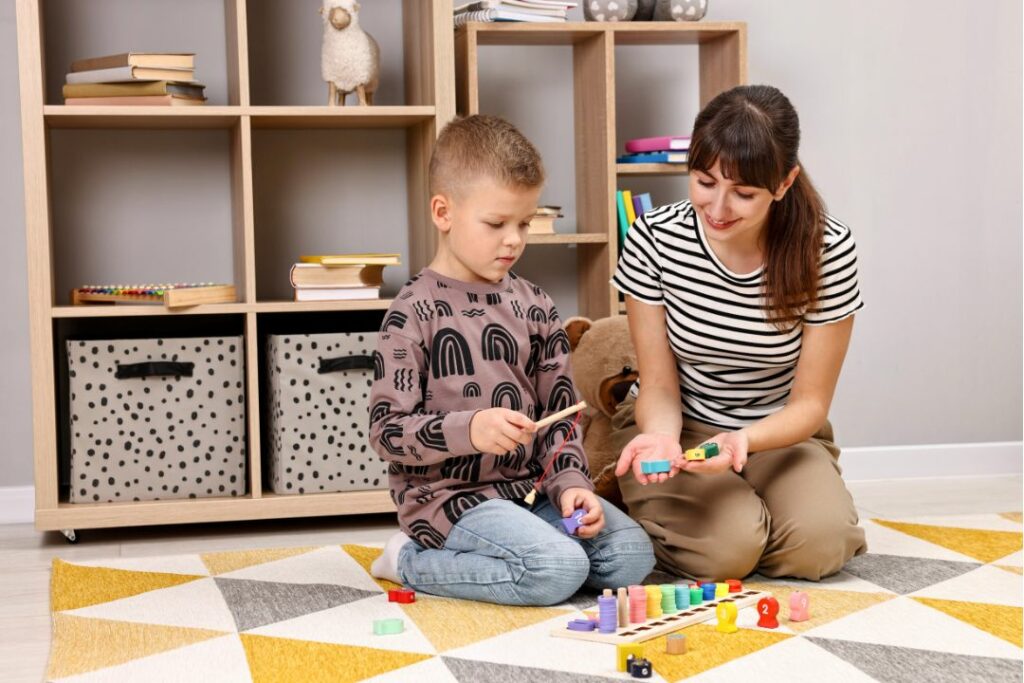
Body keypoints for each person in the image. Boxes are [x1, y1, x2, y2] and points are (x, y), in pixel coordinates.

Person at [368, 114, 655, 605]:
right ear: (444, 212)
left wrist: (570, 487)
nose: (514, 240)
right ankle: (409, 560)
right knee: (555, 568)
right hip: (448, 500)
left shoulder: (536, 305)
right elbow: (386, 433)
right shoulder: (411, 313)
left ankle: (526, 558)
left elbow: (562, 418)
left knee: (631, 557)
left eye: (525, 222)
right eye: (496, 223)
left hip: (531, 489)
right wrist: (470, 429)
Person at [611, 85, 867, 582]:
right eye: (704, 182)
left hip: (778, 434)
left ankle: (749, 520)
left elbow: (810, 404)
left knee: (821, 546)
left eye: (744, 193)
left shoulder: (827, 251)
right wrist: (661, 438)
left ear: (785, 181)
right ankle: (732, 526)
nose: (719, 207)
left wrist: (741, 442)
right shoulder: (653, 239)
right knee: (728, 555)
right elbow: (659, 384)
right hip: (680, 427)